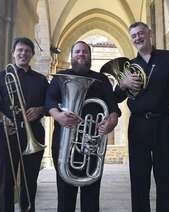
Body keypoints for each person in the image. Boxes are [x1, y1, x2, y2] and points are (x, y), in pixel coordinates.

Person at [114, 22, 169, 212]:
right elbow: (116, 97)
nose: (137, 38)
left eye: (140, 33)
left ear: (149, 34)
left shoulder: (168, 57)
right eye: (133, 36)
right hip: (138, 124)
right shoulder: (129, 66)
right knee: (138, 176)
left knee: (166, 176)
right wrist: (123, 84)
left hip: (164, 122)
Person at [45, 41, 121, 212]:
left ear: (90, 56)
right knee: (64, 194)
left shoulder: (101, 79)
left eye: (85, 52)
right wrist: (57, 115)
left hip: (92, 141)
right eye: (77, 51)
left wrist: (112, 122)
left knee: (91, 194)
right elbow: (49, 99)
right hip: (64, 140)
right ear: (72, 55)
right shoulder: (60, 77)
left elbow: (113, 106)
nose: (81, 54)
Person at [0, 37, 49, 212]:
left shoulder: (40, 80)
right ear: (13, 53)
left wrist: (39, 110)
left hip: (34, 132)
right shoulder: (2, 76)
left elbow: (51, 105)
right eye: (20, 50)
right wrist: (3, 117)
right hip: (8, 133)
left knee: (30, 181)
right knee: (6, 181)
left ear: (32, 54)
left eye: (27, 51)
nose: (23, 53)